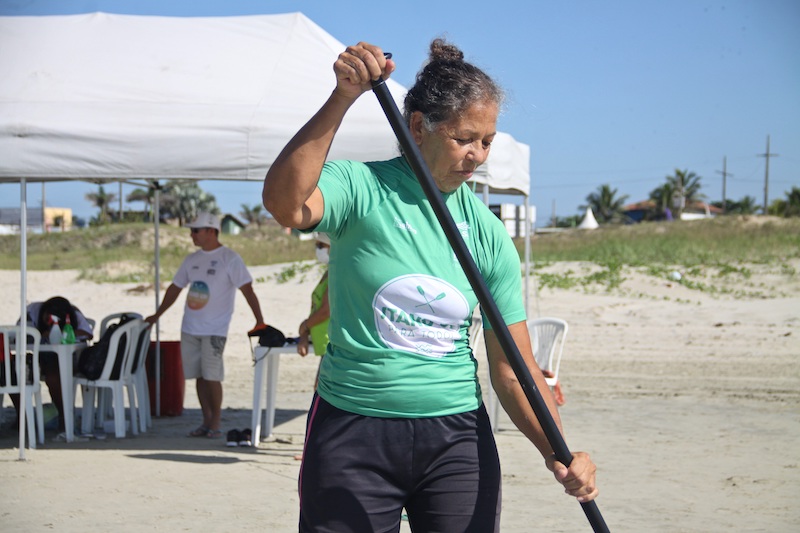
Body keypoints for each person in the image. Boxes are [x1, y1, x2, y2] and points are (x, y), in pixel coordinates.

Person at [263, 39, 598, 531]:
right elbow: (285, 205)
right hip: (353, 428)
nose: (477, 156)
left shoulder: (488, 234)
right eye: (465, 138)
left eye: (487, 141)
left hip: (456, 439)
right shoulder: (360, 188)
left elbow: (513, 368)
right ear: (418, 127)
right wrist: (343, 97)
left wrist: (559, 452)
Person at [144, 212, 266, 439]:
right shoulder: (191, 260)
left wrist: (259, 319)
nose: (192, 235)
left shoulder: (229, 258)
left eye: (196, 230)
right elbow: (175, 288)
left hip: (215, 329)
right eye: (192, 231)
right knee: (199, 376)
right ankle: (206, 420)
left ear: (211, 231)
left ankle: (216, 421)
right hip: (190, 328)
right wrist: (157, 315)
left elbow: (247, 290)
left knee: (212, 376)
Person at [11, 296, 94, 430]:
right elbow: (19, 335)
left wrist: (63, 332)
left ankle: (63, 415)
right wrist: (39, 335)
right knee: (12, 372)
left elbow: (88, 334)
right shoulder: (32, 312)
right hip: (37, 356)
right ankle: (22, 415)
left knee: (53, 377)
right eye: (48, 318)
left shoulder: (74, 313)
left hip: (66, 358)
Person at [296, 232, 330, 390]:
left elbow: (326, 311)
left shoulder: (337, 273)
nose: (318, 249)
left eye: (321, 245)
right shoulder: (329, 272)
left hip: (331, 343)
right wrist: (305, 334)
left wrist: (305, 325)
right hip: (325, 343)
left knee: (322, 392)